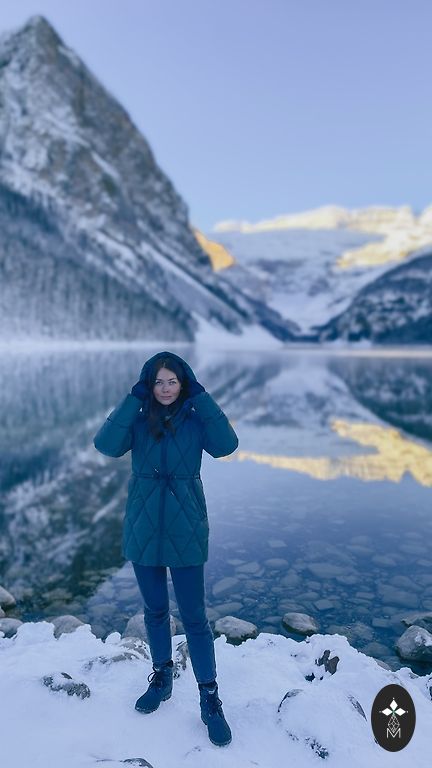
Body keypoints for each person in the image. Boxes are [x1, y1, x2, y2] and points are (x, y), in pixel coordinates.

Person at [93, 351, 239, 747]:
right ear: (148, 385)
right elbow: (105, 444)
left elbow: (227, 444)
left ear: (184, 383)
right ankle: (162, 677)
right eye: (157, 382)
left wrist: (202, 397)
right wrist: (132, 398)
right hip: (143, 529)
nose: (165, 388)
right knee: (155, 610)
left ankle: (209, 698)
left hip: (186, 528)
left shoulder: (195, 419)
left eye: (172, 381)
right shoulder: (139, 420)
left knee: (194, 617)